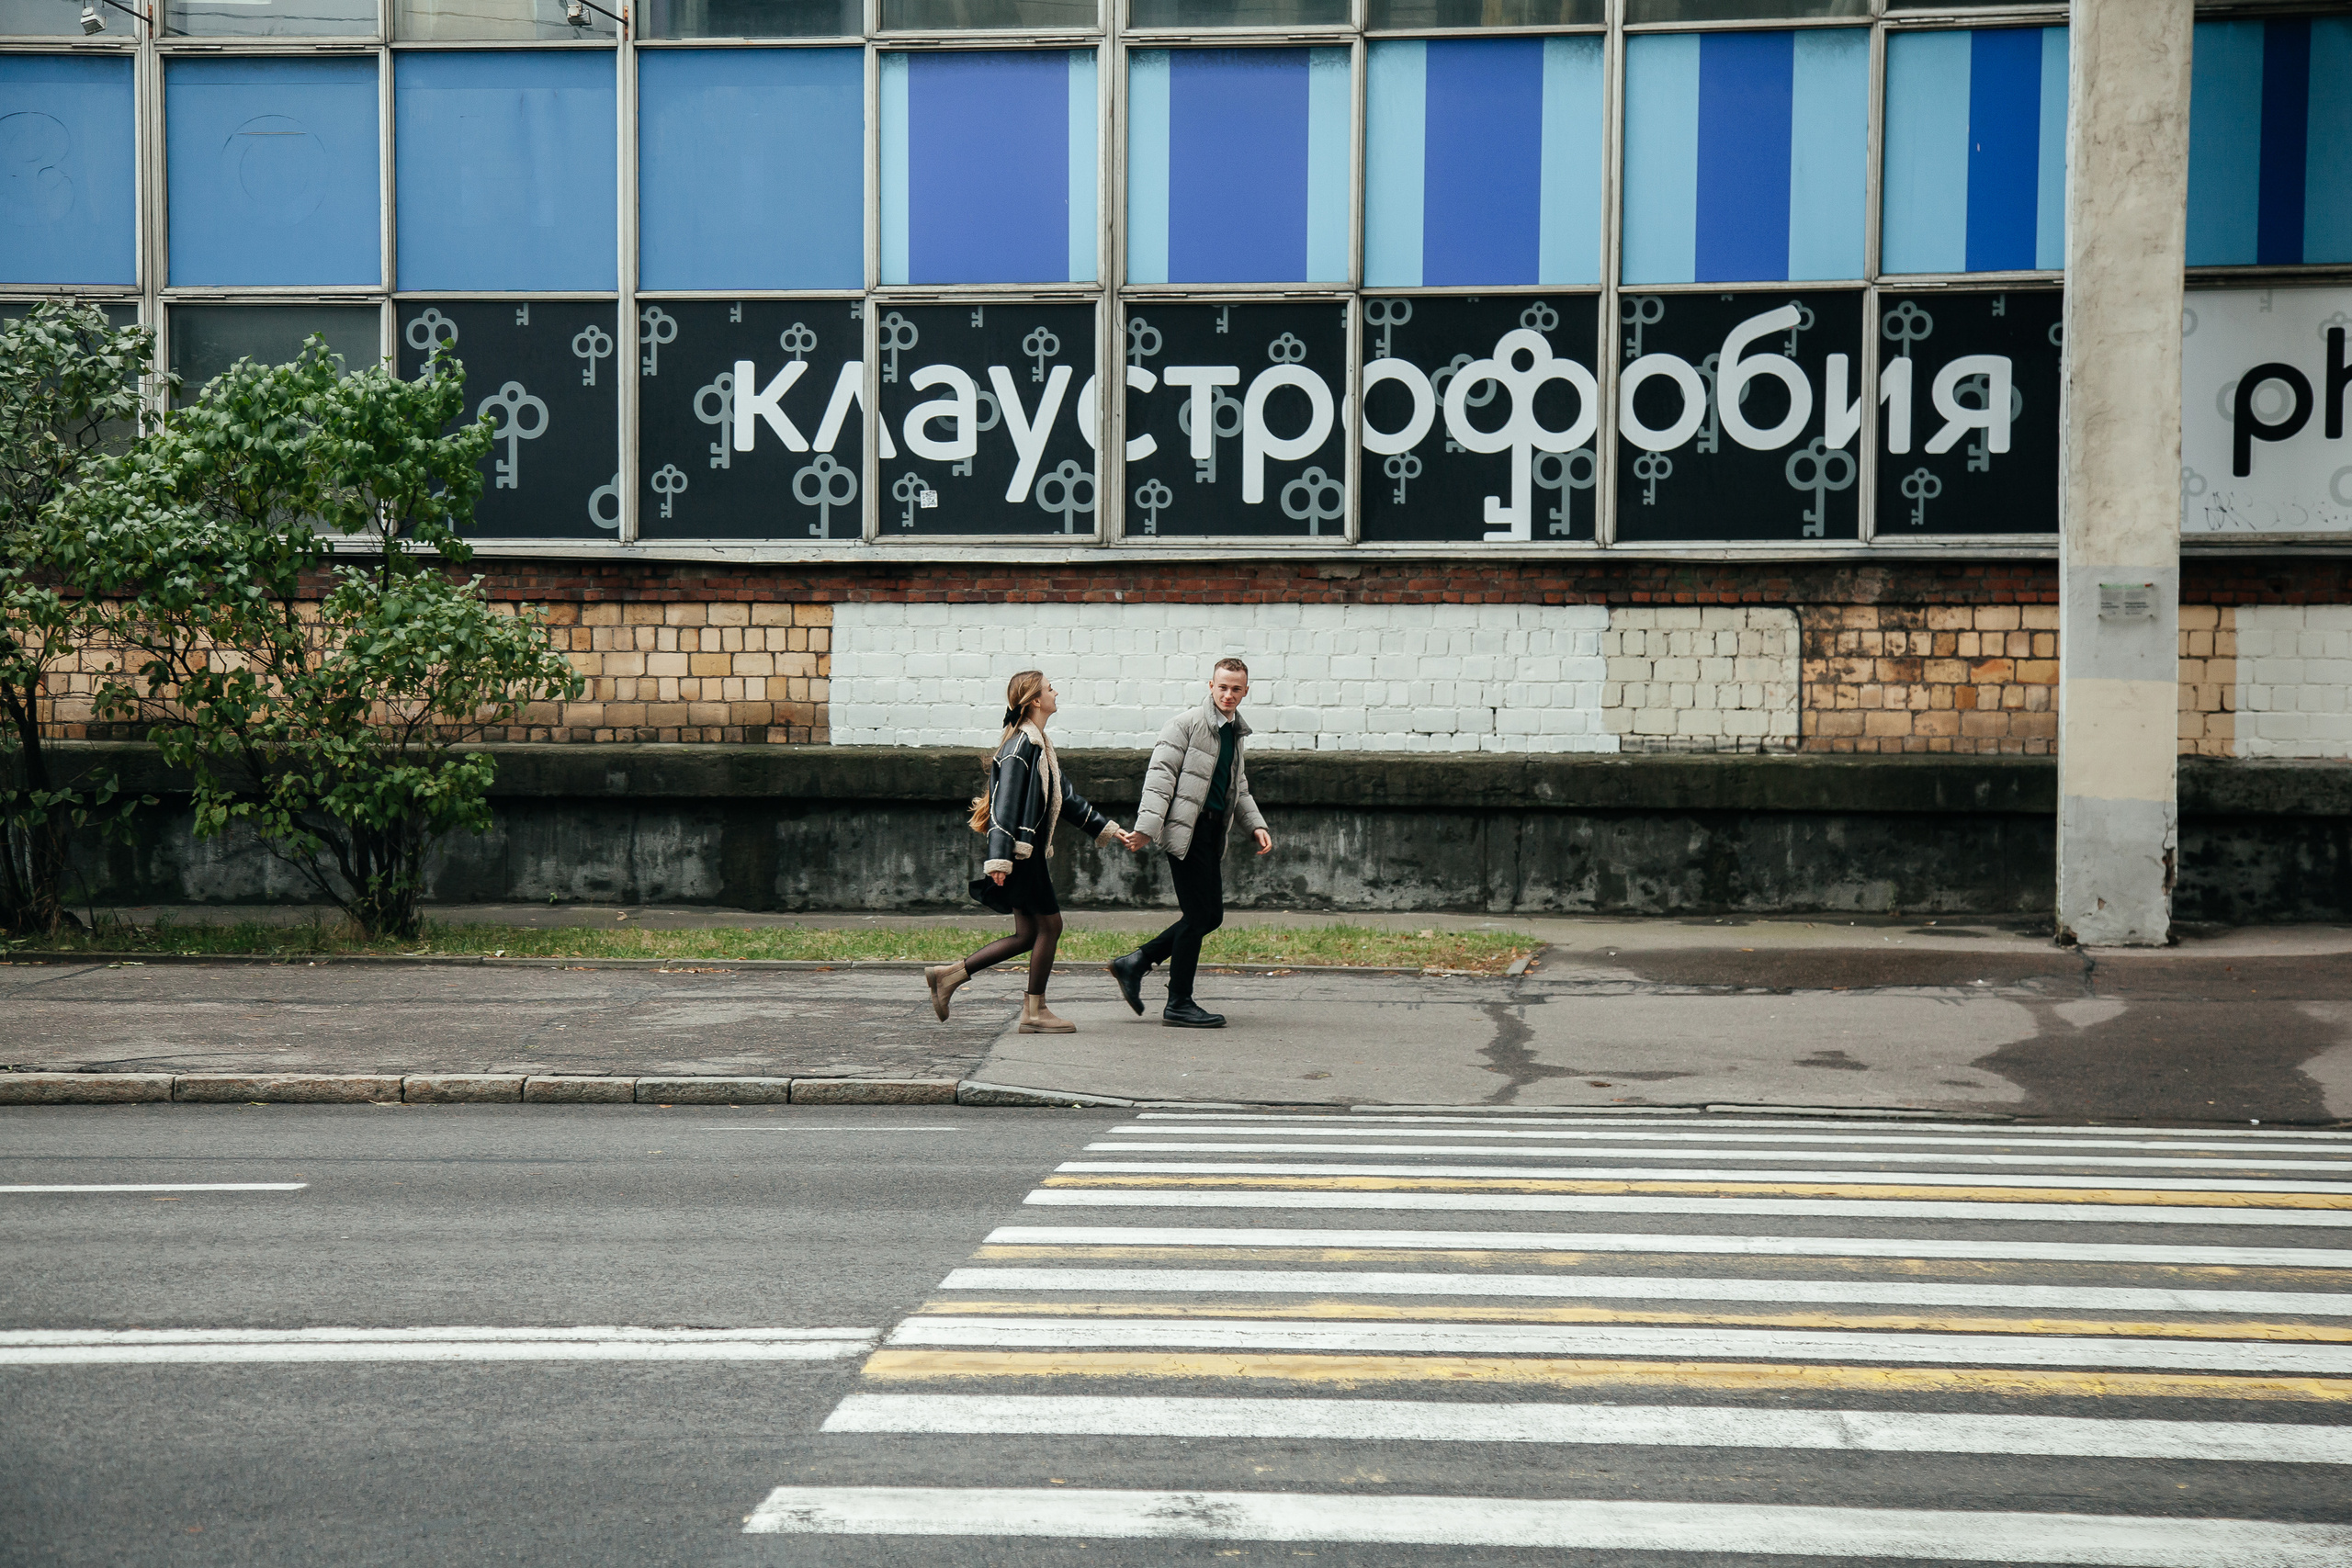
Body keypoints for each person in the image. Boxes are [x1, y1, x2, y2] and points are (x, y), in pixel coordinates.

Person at [925, 671, 1140, 1034]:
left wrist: (1109, 828)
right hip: (1022, 854)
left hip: (1026, 852)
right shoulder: (1021, 748)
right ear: (1036, 701)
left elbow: (1065, 799)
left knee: (1028, 934)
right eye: (1049, 688)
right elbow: (1004, 807)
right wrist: (999, 859)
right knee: (1051, 925)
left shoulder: (1038, 744)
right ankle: (1034, 1011)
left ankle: (948, 976)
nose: (1056, 692)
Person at [1108, 658, 1273, 1028]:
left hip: (1213, 831)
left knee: (1208, 915)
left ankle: (1133, 964)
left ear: (1246, 691)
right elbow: (1160, 778)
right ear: (1210, 686)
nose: (1228, 694)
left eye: (1236, 689)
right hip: (1187, 830)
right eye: (1222, 687)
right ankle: (1178, 1001)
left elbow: (1237, 786)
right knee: (1201, 916)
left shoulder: (1235, 731)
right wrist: (1147, 828)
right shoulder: (1185, 725)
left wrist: (1254, 826)